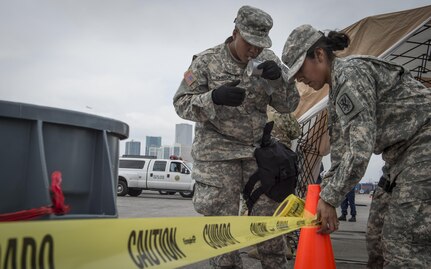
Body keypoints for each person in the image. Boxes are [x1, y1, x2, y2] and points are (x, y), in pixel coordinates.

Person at [281, 24, 430, 268]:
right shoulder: (337, 92)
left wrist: (329, 200)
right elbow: (341, 153)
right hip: (399, 158)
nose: (300, 79)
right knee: (377, 237)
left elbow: (360, 149)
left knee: (403, 245)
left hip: (423, 147)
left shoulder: (351, 74)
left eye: (300, 69)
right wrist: (324, 198)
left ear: (319, 54)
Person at [173, 6, 299, 269]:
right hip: (218, 155)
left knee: (269, 223)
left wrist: (280, 82)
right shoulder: (204, 62)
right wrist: (212, 98)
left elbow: (289, 105)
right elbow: (180, 103)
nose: (254, 51)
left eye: (259, 45)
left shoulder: (269, 59)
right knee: (221, 228)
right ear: (235, 33)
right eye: (249, 44)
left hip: (257, 153)